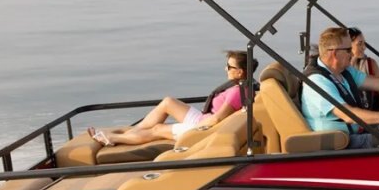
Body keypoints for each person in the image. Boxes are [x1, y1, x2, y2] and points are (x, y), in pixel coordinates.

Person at [89, 50, 256, 146]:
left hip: (203, 127)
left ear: (240, 72)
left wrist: (195, 130)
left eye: (229, 66)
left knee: (157, 129)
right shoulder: (243, 87)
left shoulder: (238, 92)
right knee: (168, 102)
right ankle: (134, 132)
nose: (225, 68)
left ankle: (114, 138)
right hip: (203, 118)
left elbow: (217, 119)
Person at [302, 27, 379, 149]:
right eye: (348, 50)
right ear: (334, 53)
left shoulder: (344, 71)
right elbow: (348, 115)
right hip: (340, 142)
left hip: (355, 132)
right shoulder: (317, 81)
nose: (352, 54)